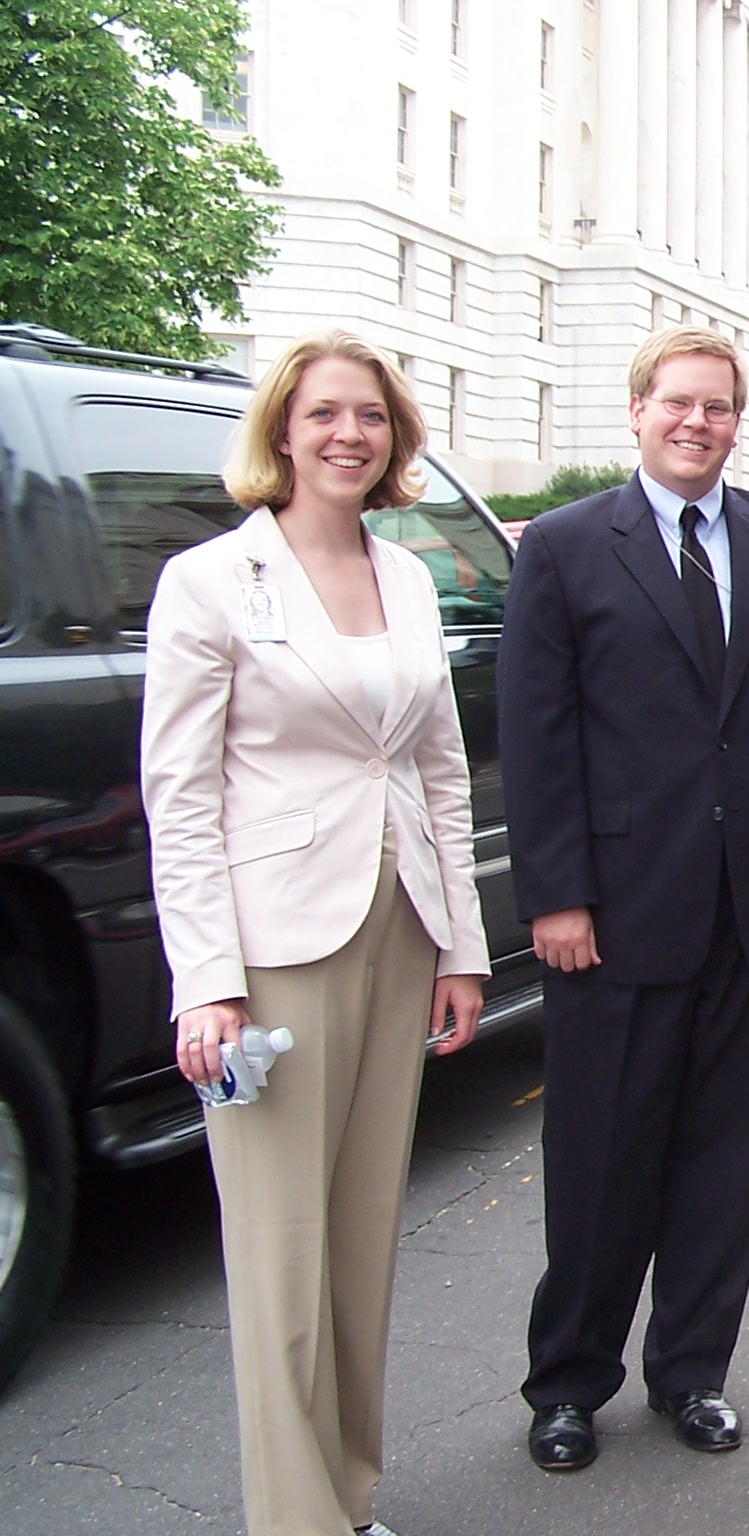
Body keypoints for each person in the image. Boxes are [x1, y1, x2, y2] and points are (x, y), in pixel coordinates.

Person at [142, 331, 489, 1536]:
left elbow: (438, 772)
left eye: (373, 418)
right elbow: (180, 797)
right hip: (273, 949)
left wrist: (461, 947)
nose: (350, 435)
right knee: (283, 1259)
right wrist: (208, 984)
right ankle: (291, 1519)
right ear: (281, 432)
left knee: (359, 1244)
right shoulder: (208, 581)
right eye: (326, 414)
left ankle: (347, 1497)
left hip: (400, 932)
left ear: (395, 439)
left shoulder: (404, 577)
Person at [501, 326, 749, 1473]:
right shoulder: (563, 548)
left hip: (746, 909)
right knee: (603, 1159)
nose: (698, 423)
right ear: (638, 411)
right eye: (678, 405)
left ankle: (692, 1372)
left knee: (720, 1159)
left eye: (719, 407)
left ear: (737, 422)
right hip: (611, 912)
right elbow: (537, 732)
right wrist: (555, 894)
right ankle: (569, 1382)